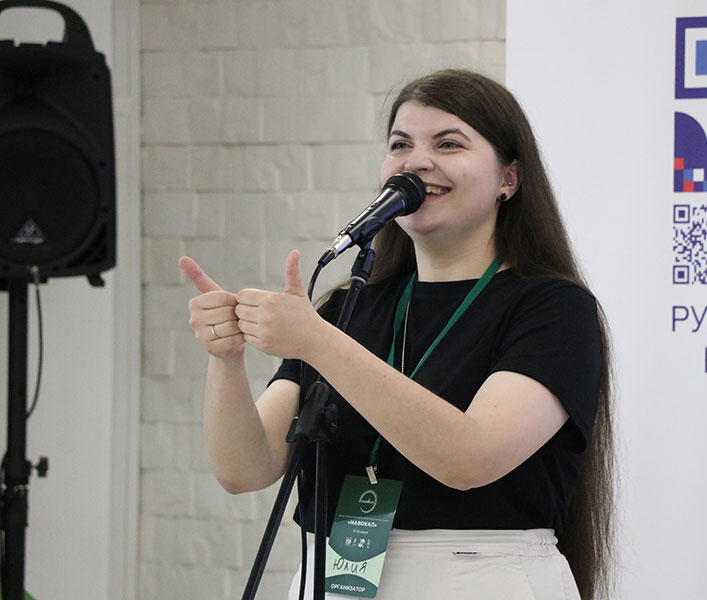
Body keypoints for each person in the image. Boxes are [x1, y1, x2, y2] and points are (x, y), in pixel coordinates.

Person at [180, 69, 614, 600]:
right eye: (400, 144)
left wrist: (317, 341)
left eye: (448, 144)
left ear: (509, 178)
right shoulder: (345, 308)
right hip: (335, 575)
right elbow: (244, 469)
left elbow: (470, 457)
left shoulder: (553, 308)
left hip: (478, 578)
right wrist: (225, 357)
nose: (416, 162)